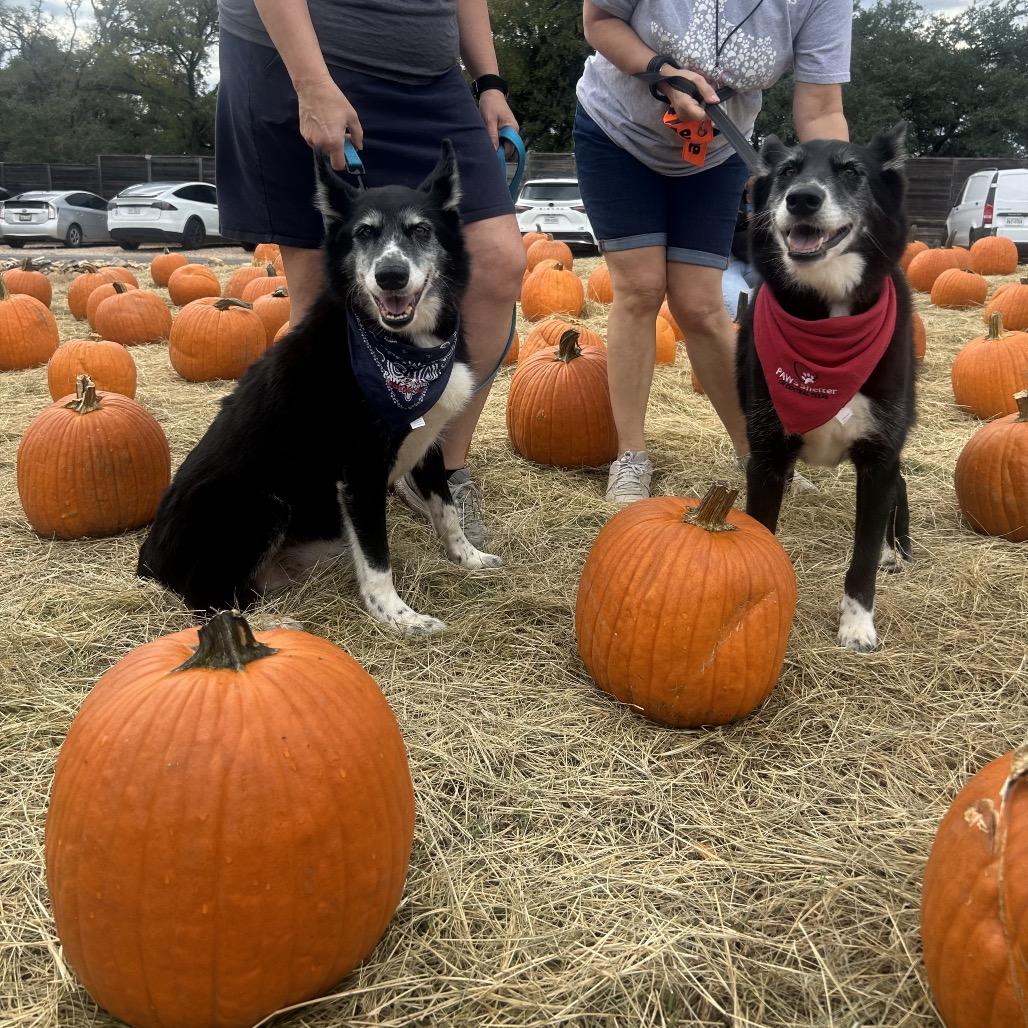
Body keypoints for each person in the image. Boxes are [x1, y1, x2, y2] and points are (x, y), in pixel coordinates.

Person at [215, 0, 527, 545]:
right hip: (299, 54)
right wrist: (310, 83)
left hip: (431, 77)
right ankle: (324, 486)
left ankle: (438, 466)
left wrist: (489, 81)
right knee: (322, 303)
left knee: (499, 264)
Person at [575, 0, 851, 503]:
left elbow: (821, 108)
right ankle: (630, 456)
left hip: (718, 149)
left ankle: (758, 455)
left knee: (702, 307)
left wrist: (833, 185)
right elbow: (600, 22)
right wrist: (660, 71)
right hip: (619, 135)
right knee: (639, 290)